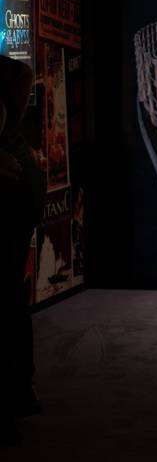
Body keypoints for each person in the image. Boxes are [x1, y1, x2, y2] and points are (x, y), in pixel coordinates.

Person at [0, 55, 45, 446]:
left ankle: (11, 399)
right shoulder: (6, 105)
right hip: (19, 204)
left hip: (12, 208)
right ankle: (17, 394)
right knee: (10, 303)